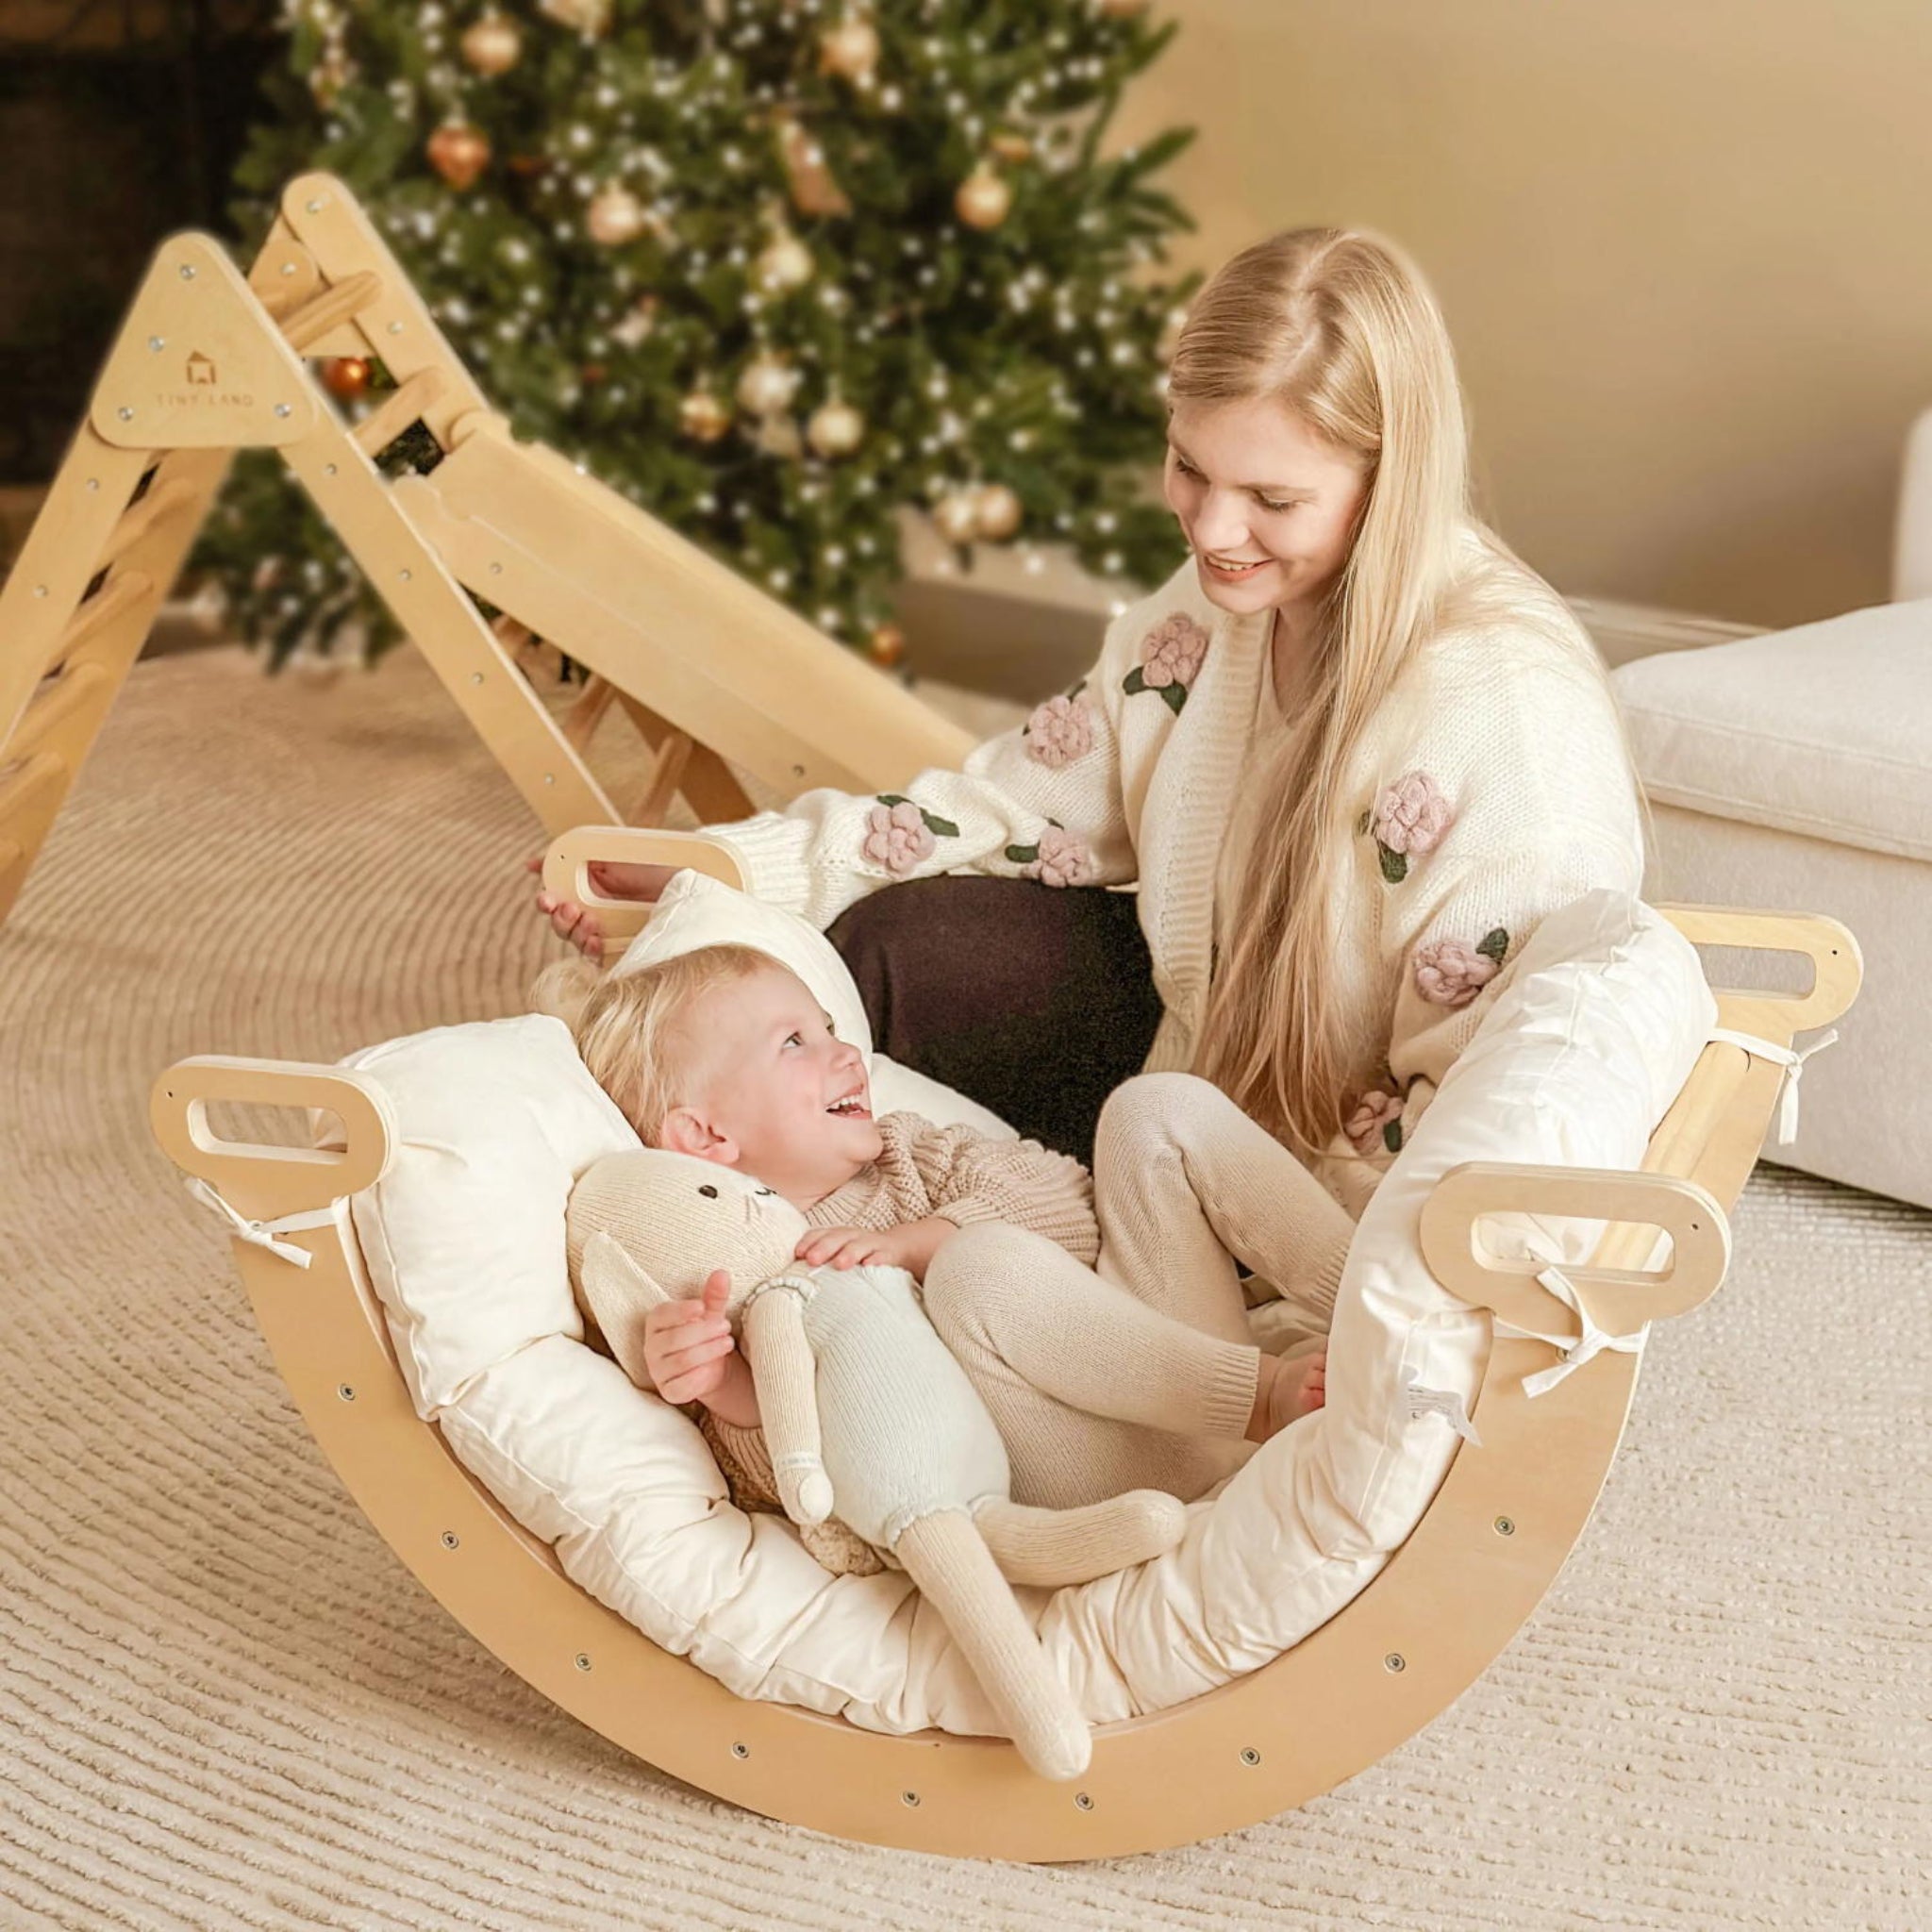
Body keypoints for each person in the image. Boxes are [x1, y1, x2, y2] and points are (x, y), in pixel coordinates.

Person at [537, 225, 1646, 1491]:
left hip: (1326, 1201)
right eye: (1189, 468)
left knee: (1006, 1255)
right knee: (884, 950)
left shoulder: (1502, 721)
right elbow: (1013, 805)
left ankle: (875, 1342)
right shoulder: (1216, 609)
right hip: (1181, 1095)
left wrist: (1293, 1319)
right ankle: (718, 1272)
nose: (1214, 529)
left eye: (1272, 500)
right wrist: (719, 876)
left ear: (1389, 483)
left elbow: (1494, 1109)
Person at [557, 943, 1331, 1538]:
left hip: (1184, 1373)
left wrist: (926, 1239)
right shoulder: (742, 1269)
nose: (847, 1053)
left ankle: (1378, 1292)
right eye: (794, 1042)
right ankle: (1265, 1398)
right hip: (1099, 1471)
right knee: (979, 1268)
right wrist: (723, 1388)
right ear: (707, 1136)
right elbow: (801, 1479)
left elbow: (1073, 1202)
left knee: (1153, 1111)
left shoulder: (908, 1152)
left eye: (829, 1028)